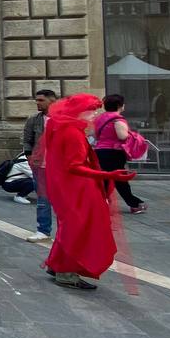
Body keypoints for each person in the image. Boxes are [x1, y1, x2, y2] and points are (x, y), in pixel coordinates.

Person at [42, 93, 137, 290]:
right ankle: (66, 271)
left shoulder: (61, 127)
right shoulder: (72, 132)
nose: (94, 115)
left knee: (71, 225)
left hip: (68, 185)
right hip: (77, 187)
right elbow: (74, 165)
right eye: (91, 111)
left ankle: (58, 264)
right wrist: (109, 175)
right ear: (78, 112)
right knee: (80, 227)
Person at [92, 94, 147, 214]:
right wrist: (131, 134)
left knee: (104, 177)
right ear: (119, 105)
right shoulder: (118, 119)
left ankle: (101, 202)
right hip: (114, 152)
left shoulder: (99, 118)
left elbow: (95, 135)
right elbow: (122, 136)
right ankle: (135, 204)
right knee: (120, 178)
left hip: (100, 151)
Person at [24, 88, 57, 242]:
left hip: (59, 165)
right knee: (43, 199)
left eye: (41, 100)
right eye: (36, 100)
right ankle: (43, 230)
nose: (37, 103)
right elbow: (27, 141)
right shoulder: (34, 120)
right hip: (40, 165)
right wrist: (30, 159)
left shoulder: (62, 119)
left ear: (52, 100)